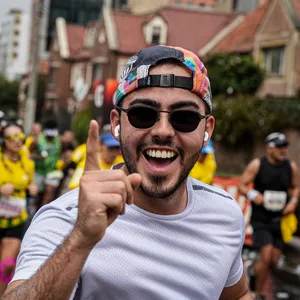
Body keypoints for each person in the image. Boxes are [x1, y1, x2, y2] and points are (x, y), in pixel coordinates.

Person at [4, 46, 251, 300]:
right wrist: (81, 239)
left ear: (206, 129)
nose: (163, 131)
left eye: (184, 117)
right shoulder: (67, 219)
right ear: (116, 123)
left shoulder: (225, 216)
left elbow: (238, 294)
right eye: (143, 114)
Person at [238, 132, 299, 300]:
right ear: (269, 148)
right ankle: (258, 294)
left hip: (280, 220)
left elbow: (295, 187)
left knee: (273, 259)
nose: (284, 150)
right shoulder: (257, 165)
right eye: (280, 146)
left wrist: (293, 201)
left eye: (285, 146)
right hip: (261, 219)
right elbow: (242, 184)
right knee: (266, 254)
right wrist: (252, 195)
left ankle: (254, 272)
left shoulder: (291, 167)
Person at [0, 121, 37, 296]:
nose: (16, 140)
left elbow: (30, 183)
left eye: (19, 136)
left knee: (7, 266)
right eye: (11, 137)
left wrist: (32, 188)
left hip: (16, 218)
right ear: (3, 141)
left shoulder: (28, 163)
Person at [30, 120, 62, 207]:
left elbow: (64, 151)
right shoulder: (37, 140)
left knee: (49, 193)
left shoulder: (58, 140)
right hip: (39, 171)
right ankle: (35, 211)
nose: (50, 136)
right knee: (36, 194)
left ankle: (43, 213)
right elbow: (29, 154)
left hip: (52, 171)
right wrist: (39, 157)